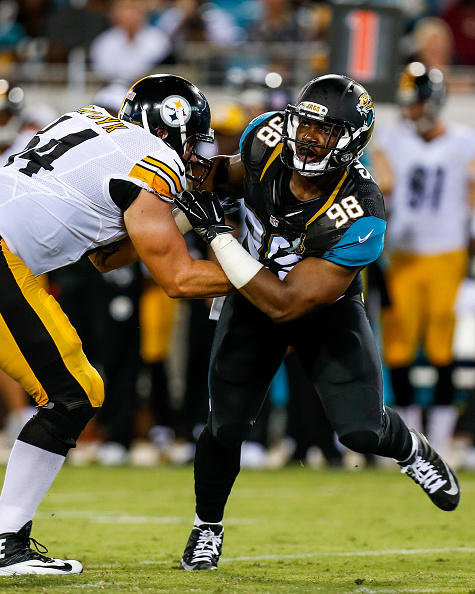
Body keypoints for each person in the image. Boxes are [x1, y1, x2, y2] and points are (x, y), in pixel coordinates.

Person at [172, 73, 462, 571]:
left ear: (351, 140)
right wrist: (177, 181)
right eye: (306, 123)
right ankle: (207, 527)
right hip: (252, 293)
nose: (309, 136)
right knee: (225, 424)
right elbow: (227, 175)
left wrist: (217, 234)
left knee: (361, 432)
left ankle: (411, 447)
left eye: (325, 131)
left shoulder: (361, 212)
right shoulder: (264, 142)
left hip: (320, 307)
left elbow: (287, 303)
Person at [0, 73, 233, 575]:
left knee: (73, 390)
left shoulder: (90, 123)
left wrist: (185, 219)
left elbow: (105, 257)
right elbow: (178, 278)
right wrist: (269, 279)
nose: (193, 155)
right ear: (170, 128)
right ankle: (6, 542)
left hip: (9, 251)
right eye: (191, 140)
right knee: (75, 392)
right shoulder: (156, 160)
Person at [373, 62, 475, 458]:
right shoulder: (391, 139)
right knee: (397, 345)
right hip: (403, 254)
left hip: (447, 251)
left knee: (440, 346)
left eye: (415, 104)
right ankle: (409, 438)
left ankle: (444, 437)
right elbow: (384, 187)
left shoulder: (464, 141)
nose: (410, 111)